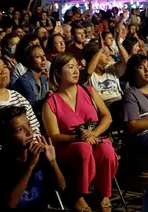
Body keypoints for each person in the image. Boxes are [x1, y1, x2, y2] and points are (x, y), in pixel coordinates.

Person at [42, 52, 118, 212]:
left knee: (107, 150)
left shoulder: (89, 91)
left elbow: (107, 117)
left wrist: (94, 133)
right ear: (57, 73)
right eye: (70, 67)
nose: (76, 71)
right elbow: (53, 137)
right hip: (70, 146)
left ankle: (103, 193)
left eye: (77, 67)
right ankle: (76, 195)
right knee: (83, 148)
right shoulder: (51, 102)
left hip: (94, 139)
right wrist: (77, 137)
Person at [0, 106, 67, 210]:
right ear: (4, 138)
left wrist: (53, 162)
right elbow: (9, 205)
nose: (29, 132)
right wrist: (30, 167)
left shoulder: (39, 154)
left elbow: (61, 188)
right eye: (19, 130)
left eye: (29, 125)